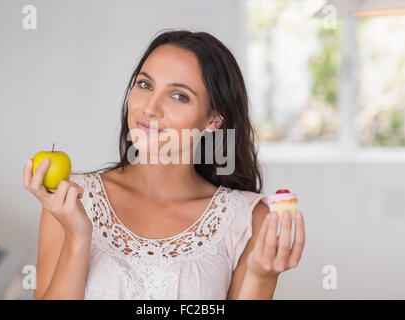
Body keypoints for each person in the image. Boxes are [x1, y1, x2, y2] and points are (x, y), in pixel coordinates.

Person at [23, 29, 305, 300]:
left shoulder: (247, 219)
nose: (150, 108)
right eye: (145, 84)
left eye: (179, 96)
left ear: (214, 120)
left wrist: (263, 277)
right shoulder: (69, 199)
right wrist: (77, 237)